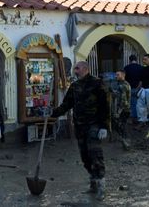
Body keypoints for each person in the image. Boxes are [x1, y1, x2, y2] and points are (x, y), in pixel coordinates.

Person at [51, 61, 110, 201]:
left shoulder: (97, 83)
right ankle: (93, 183)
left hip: (94, 125)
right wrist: (53, 113)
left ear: (85, 69)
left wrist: (104, 126)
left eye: (77, 68)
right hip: (80, 125)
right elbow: (67, 104)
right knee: (85, 156)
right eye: (74, 69)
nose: (75, 71)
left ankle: (101, 186)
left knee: (95, 154)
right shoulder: (75, 86)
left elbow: (105, 105)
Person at [111, 70, 131, 150]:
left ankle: (126, 142)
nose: (116, 76)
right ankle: (124, 141)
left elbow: (123, 101)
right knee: (120, 125)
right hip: (123, 109)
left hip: (124, 110)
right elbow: (118, 95)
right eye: (116, 74)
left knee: (121, 126)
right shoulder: (121, 84)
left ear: (123, 75)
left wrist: (118, 113)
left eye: (118, 75)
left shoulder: (123, 85)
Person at [123, 55, 143, 122]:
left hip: (129, 88)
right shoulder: (140, 67)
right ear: (136, 59)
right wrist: (138, 87)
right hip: (139, 88)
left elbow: (124, 80)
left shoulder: (126, 68)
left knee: (132, 104)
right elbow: (142, 79)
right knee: (140, 104)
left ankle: (133, 118)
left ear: (129, 60)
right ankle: (140, 118)